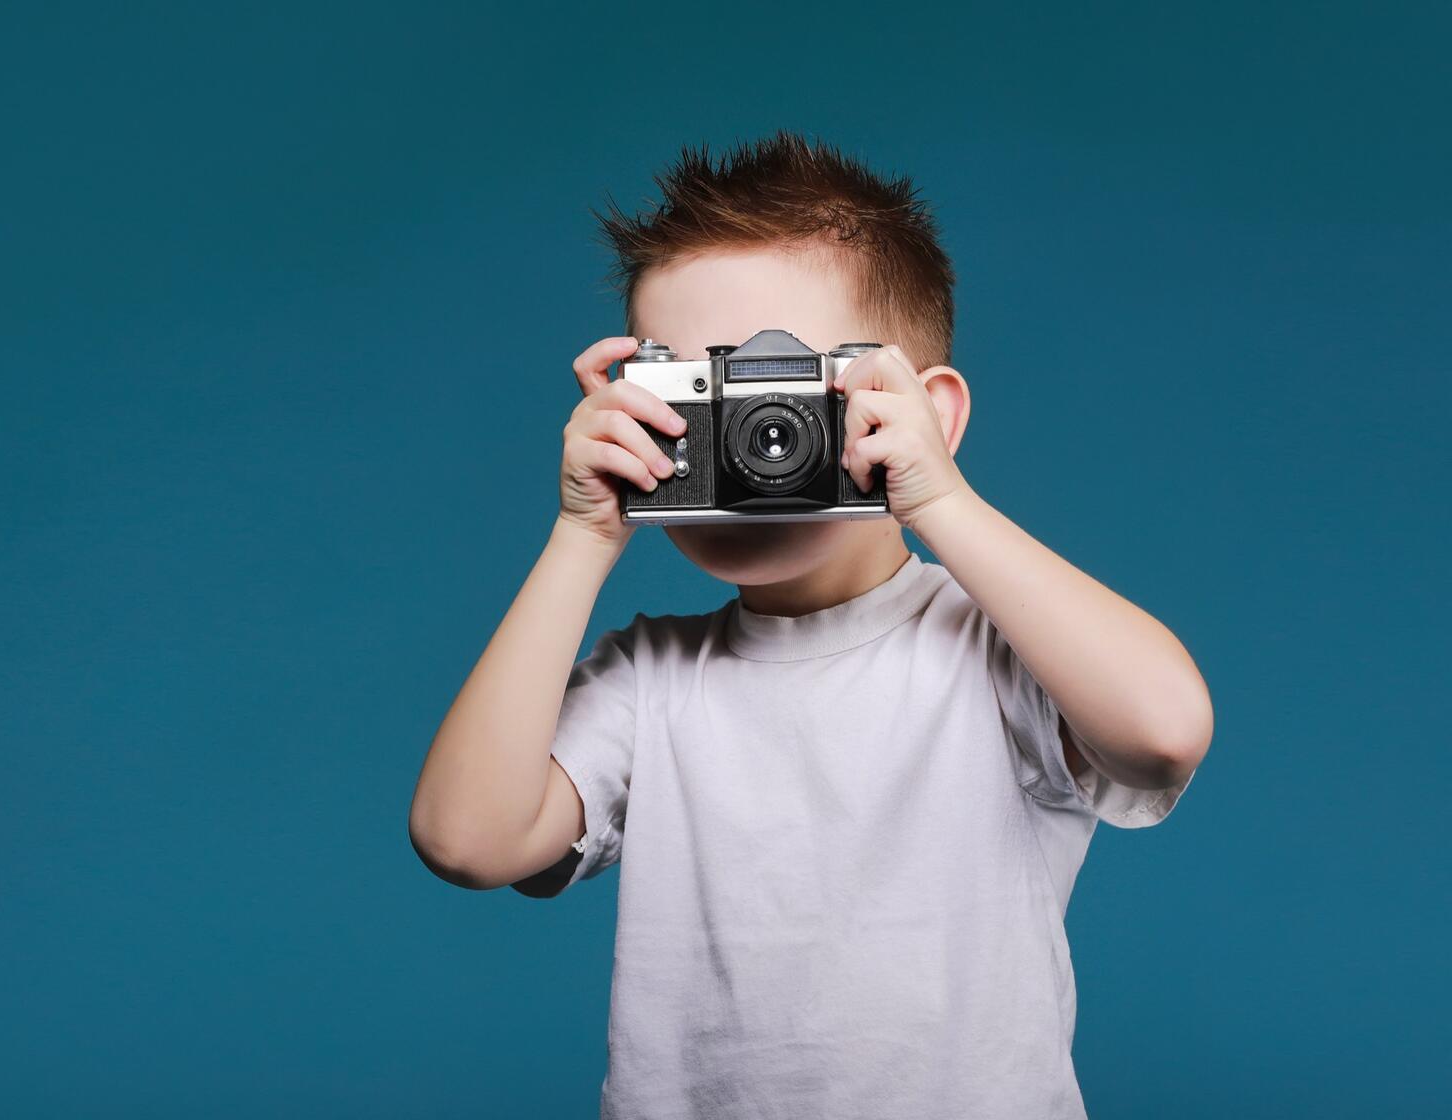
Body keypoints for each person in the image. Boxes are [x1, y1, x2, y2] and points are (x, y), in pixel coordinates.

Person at [408, 130, 1213, 1119]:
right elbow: (466, 840)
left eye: (784, 382)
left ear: (929, 414)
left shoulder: (995, 645)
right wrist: (583, 534)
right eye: (692, 394)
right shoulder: (651, 678)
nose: (758, 438)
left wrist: (940, 502)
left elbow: (1165, 730)